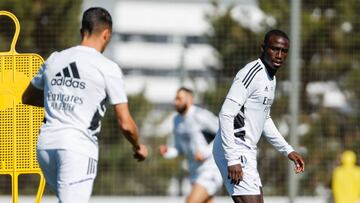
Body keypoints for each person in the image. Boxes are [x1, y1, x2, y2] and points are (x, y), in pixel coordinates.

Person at [22, 7, 148, 203]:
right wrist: (138, 146)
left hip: (45, 146)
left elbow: (27, 97)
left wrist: (61, 101)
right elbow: (125, 123)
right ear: (106, 35)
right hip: (76, 148)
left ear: (82, 31)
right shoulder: (107, 67)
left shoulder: (55, 59)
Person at [212, 29, 305, 203]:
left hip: (247, 149)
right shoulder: (251, 73)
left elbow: (265, 119)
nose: (279, 55)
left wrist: (288, 149)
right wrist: (232, 159)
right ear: (263, 48)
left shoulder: (271, 78)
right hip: (235, 147)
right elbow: (225, 114)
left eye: (284, 51)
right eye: (274, 49)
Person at [159, 87, 223, 203]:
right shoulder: (177, 121)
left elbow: (223, 133)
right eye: (175, 99)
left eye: (179, 99)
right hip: (194, 172)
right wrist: (168, 151)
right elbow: (180, 148)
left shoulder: (200, 115)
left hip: (211, 169)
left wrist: (205, 152)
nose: (175, 102)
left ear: (190, 99)